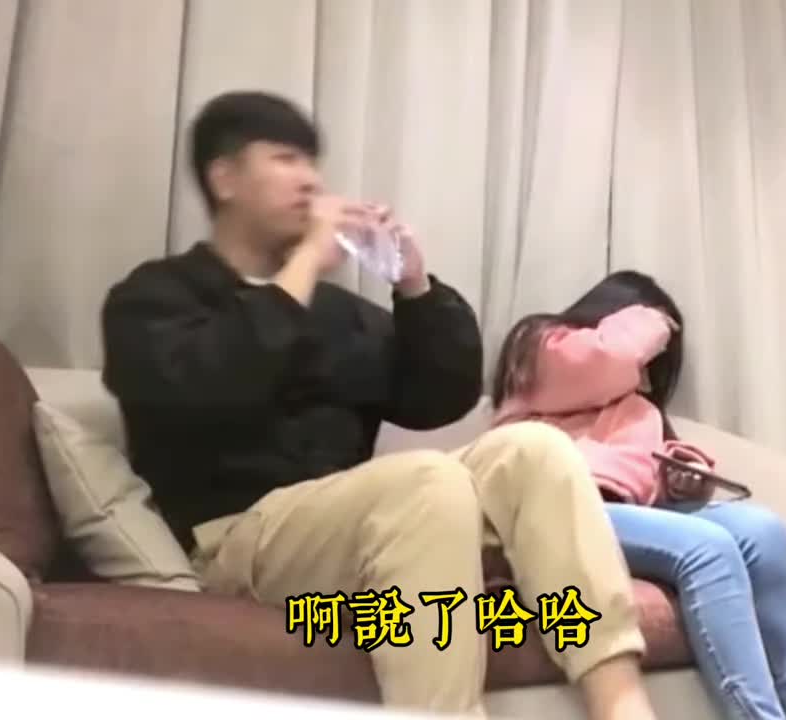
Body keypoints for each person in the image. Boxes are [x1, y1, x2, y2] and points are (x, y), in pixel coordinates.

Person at [99, 91, 661, 720]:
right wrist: (306, 262)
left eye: (311, 162)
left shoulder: (336, 314)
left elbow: (439, 397)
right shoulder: (156, 297)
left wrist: (414, 285)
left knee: (536, 450)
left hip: (360, 556)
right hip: (233, 545)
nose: (310, 180)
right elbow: (208, 387)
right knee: (425, 481)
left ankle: (620, 704)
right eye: (284, 158)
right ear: (225, 177)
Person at [491, 271, 786, 720]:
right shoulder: (540, 346)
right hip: (555, 507)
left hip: (625, 514)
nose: (648, 375)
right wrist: (654, 319)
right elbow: (607, 360)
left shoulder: (636, 405)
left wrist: (681, 475)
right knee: (707, 549)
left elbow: (641, 477)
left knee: (764, 530)